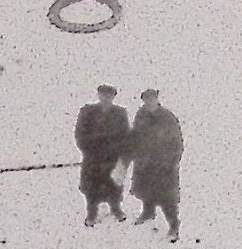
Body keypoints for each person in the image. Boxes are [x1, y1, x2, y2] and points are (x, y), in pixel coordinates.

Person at [130, 89, 185, 241]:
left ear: (157, 99)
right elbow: (135, 137)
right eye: (146, 99)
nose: (149, 102)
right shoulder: (140, 116)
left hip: (164, 163)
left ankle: (173, 225)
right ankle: (148, 212)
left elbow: (177, 141)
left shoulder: (167, 117)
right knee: (146, 190)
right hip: (146, 162)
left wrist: (172, 160)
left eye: (152, 98)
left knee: (167, 196)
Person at [74, 86, 130, 225]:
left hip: (112, 156)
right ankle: (91, 213)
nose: (106, 98)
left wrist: (119, 152)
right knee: (91, 186)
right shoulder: (87, 112)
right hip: (92, 156)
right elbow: (80, 134)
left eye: (109, 95)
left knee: (114, 184)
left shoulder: (120, 113)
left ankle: (116, 208)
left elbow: (125, 135)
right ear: (99, 95)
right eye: (103, 95)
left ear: (113, 97)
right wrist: (89, 150)